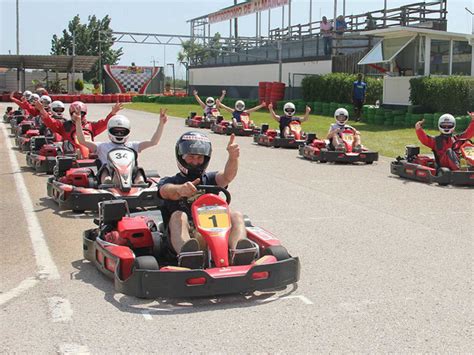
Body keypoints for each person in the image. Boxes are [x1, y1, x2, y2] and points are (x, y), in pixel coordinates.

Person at [157, 131, 255, 268]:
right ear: (181, 157)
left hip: (216, 231)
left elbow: (227, 176)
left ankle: (239, 252)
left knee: (236, 214)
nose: (195, 161)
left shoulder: (210, 179)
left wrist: (233, 158)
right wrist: (179, 190)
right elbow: (165, 191)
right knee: (179, 215)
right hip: (185, 235)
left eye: (199, 157)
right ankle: (188, 256)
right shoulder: (170, 181)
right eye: (191, 157)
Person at [75, 109, 167, 184]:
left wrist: (161, 124)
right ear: (110, 131)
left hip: (129, 175)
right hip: (109, 175)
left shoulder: (132, 145)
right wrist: (78, 122)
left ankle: (140, 184)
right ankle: (107, 184)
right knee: (105, 169)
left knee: (138, 170)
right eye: (116, 131)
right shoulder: (102, 146)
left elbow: (153, 142)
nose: (119, 134)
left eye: (122, 132)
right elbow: (82, 141)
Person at [34, 100, 123, 158]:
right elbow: (50, 122)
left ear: (85, 113)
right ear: (71, 113)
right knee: (68, 146)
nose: (78, 115)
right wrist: (42, 110)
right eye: (75, 113)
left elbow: (105, 123)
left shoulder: (91, 126)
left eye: (81, 113)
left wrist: (113, 113)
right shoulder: (64, 126)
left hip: (89, 153)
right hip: (71, 155)